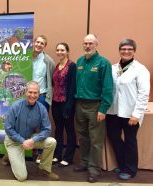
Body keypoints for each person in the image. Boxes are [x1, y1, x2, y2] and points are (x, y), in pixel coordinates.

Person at [106, 39, 150, 180]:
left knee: (130, 140)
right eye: (123, 49)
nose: (126, 51)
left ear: (134, 51)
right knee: (114, 137)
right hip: (113, 111)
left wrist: (136, 114)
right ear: (119, 50)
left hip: (130, 113)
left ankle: (131, 170)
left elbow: (144, 94)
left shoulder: (140, 69)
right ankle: (123, 164)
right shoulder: (113, 68)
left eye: (129, 49)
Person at [74, 34, 113, 183]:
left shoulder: (103, 63)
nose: (87, 46)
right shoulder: (79, 61)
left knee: (95, 139)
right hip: (80, 105)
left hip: (95, 106)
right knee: (83, 137)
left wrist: (103, 108)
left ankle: (94, 169)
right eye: (85, 43)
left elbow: (108, 88)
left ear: (96, 44)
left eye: (90, 43)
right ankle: (84, 162)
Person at [3, 81, 59, 181]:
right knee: (22, 177)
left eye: (35, 92)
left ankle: (43, 169)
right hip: (14, 141)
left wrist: (33, 140)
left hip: (29, 139)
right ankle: (9, 155)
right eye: (30, 92)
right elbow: (8, 128)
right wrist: (22, 141)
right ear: (25, 92)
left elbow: (46, 129)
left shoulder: (41, 109)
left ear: (39, 93)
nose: (32, 95)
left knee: (51, 142)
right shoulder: (16, 106)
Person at [51, 42, 76, 167]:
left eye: (62, 50)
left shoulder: (72, 66)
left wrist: (69, 105)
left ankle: (68, 157)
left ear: (67, 51)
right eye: (58, 50)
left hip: (67, 104)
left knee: (70, 130)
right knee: (58, 130)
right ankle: (57, 155)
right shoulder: (56, 66)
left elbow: (72, 87)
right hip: (55, 103)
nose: (60, 52)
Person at [32, 34, 55, 163]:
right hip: (27, 96)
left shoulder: (48, 61)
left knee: (42, 125)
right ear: (34, 43)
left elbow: (51, 79)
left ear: (45, 46)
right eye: (37, 42)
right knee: (27, 123)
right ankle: (29, 149)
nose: (39, 45)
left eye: (42, 43)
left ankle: (41, 153)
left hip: (41, 96)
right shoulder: (25, 58)